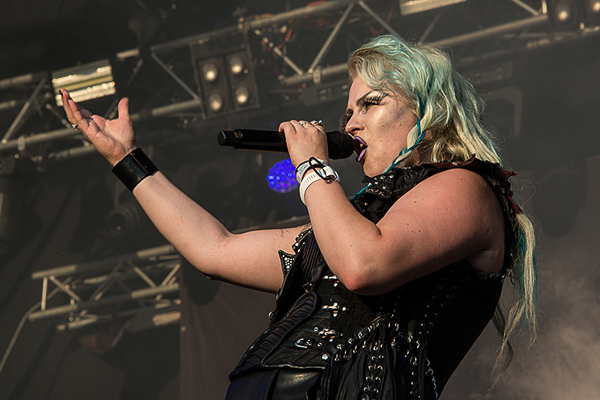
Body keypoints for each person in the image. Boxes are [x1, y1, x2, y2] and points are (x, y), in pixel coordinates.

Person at [62, 34, 537, 400]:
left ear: (429, 113)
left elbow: (363, 265)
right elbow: (213, 249)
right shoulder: (347, 225)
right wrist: (126, 159)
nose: (350, 123)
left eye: (371, 103)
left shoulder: (468, 187)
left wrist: (310, 166)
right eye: (348, 111)